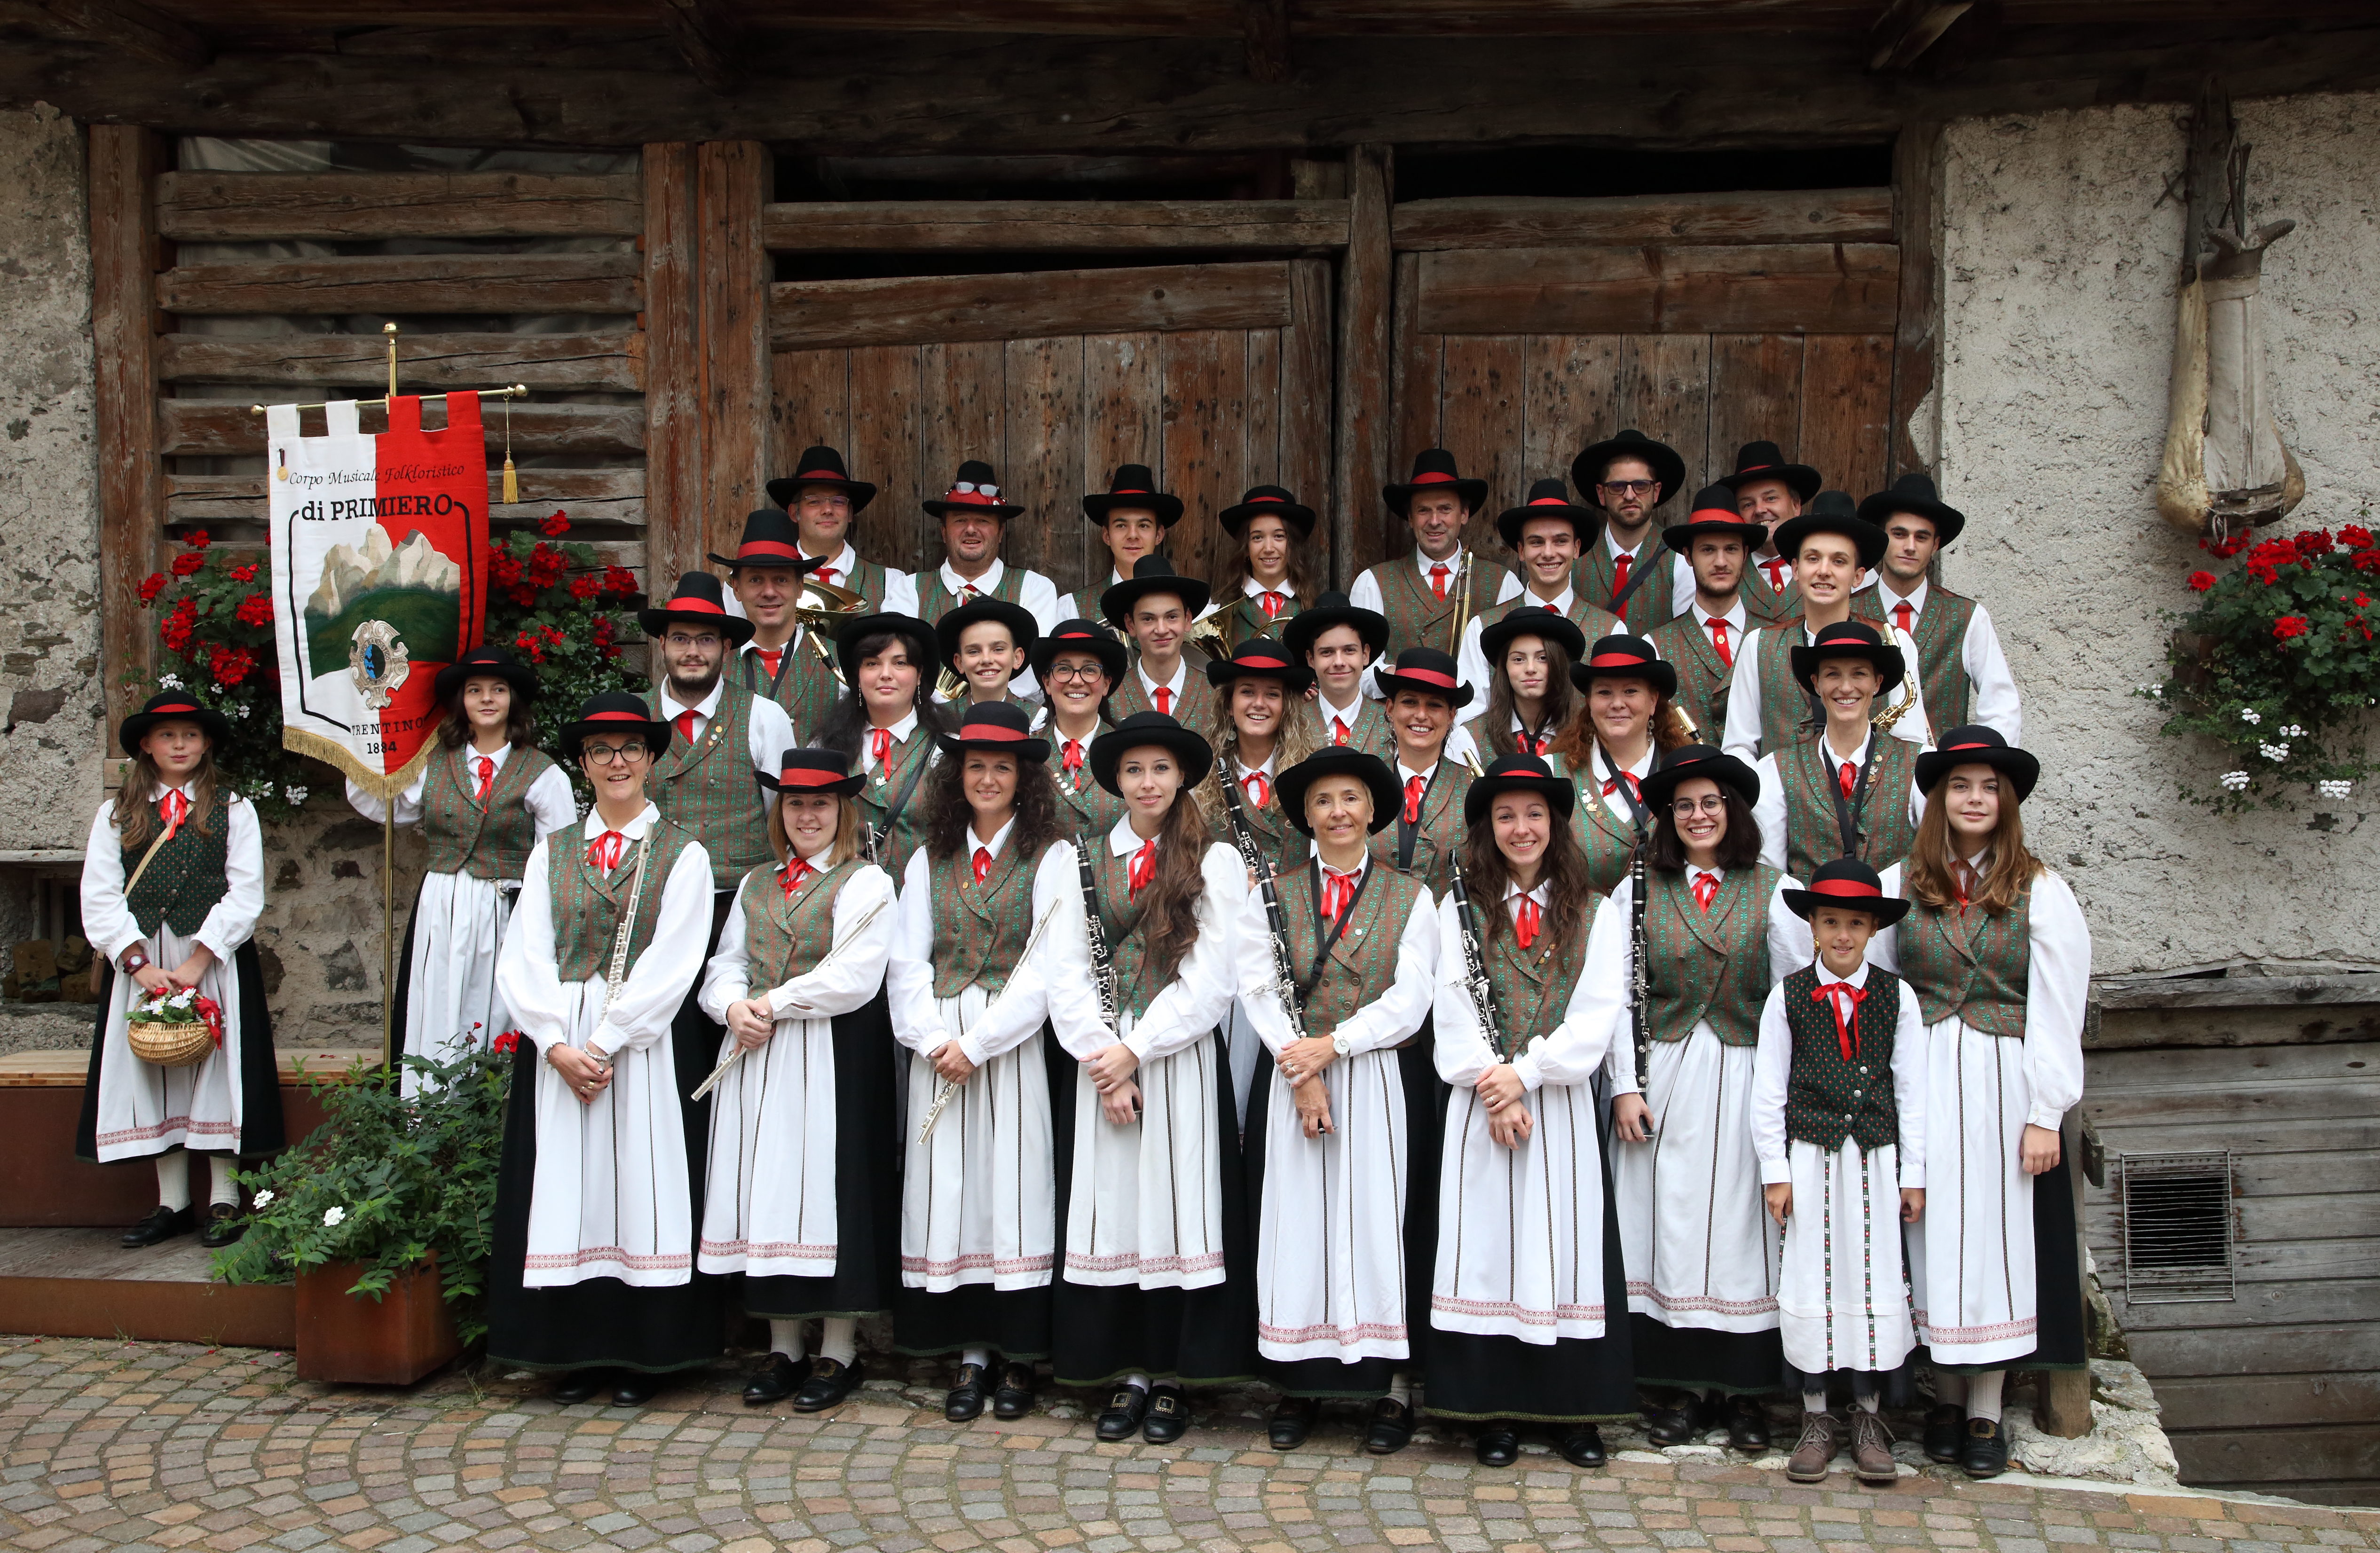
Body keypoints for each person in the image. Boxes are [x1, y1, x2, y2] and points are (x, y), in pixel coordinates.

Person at [486, 691, 722, 1406]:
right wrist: (555, 1043)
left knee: (639, 1186)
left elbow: (676, 961)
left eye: (629, 749)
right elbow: (522, 955)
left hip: (639, 1045)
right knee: (569, 1190)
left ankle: (643, 1354)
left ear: (651, 760)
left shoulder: (684, 853)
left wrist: (606, 1040)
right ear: (583, 764)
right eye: (600, 751)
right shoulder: (551, 854)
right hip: (560, 1038)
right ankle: (573, 1351)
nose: (615, 762)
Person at [1868, 727, 2088, 1481]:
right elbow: (1871, 990)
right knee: (1928, 1235)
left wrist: (2044, 1111)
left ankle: (1985, 1410)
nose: (1973, 799)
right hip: (1921, 1075)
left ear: (2006, 802)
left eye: (1988, 788)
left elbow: (2058, 1006)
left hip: (2001, 1076)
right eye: (1960, 786)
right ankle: (1942, 1395)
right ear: (1937, 799)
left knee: (1991, 1245)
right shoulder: (1900, 880)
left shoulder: (2041, 888)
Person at [1582, 744, 1809, 1452]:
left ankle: (1741, 1393)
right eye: (1683, 805)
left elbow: (1794, 997)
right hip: (1665, 1075)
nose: (1697, 815)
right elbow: (1617, 997)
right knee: (1668, 1224)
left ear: (1734, 811)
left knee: (1742, 1233)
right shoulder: (1637, 890)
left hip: (1745, 1072)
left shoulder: (1774, 889)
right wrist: (1623, 1085)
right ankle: (1677, 1387)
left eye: (1710, 802)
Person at [1428, 754, 1635, 1469]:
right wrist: (1492, 1086)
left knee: (1563, 1249)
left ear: (1556, 823)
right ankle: (1491, 1410)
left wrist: (1523, 1076)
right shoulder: (1452, 905)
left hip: (1557, 1106)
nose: (1521, 828)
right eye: (1507, 815)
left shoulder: (1598, 910)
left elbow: (1597, 1017)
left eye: (1535, 815)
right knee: (1488, 1252)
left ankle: (1573, 1410)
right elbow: (1450, 1010)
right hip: (1480, 1109)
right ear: (1488, 826)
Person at [888, 704, 1093, 1424]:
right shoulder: (926, 858)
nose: (986, 778)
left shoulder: (1053, 856)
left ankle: (1019, 1357)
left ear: (1023, 779)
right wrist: (928, 1037)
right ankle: (969, 1352)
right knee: (953, 1191)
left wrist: (977, 1044)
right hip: (939, 1043)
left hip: (1006, 1049)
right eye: (974, 765)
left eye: (1001, 767)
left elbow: (1048, 967)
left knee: (1012, 1187)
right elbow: (906, 961)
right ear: (957, 775)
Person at [1052, 711, 1253, 1444]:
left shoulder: (1215, 859)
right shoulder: (1074, 857)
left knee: (1175, 1210)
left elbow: (1213, 981)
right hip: (1101, 1066)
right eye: (1134, 770)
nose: (1147, 783)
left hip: (1173, 1060)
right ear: (1115, 780)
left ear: (1180, 778)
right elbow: (1063, 972)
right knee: (1117, 1213)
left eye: (1160, 770)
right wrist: (1103, 1060)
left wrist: (1136, 1049)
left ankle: (1172, 1375)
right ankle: (1127, 1370)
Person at [1237, 748, 1439, 1454]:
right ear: (1306, 816)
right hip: (1296, 1080)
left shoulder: (1413, 896)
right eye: (1323, 801)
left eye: (1351, 798)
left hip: (1378, 1076)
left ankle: (1388, 1387)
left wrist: (1337, 1045)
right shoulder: (1269, 889)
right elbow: (1257, 987)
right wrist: (1303, 1068)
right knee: (1297, 1225)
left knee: (1378, 1223)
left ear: (1372, 811)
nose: (1338, 813)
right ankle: (1300, 1383)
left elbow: (1412, 1001)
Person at [696, 747, 898, 1412]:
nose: (806, 815)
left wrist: (769, 1004)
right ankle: (782, 1346)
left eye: (819, 803)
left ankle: (838, 1351)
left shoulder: (865, 881)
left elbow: (853, 976)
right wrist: (730, 1007)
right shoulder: (756, 883)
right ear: (779, 812)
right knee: (768, 1191)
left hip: (831, 1052)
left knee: (832, 1191)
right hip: (758, 1055)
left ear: (841, 810)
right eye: (794, 803)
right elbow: (725, 964)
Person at [79, 691, 281, 1252]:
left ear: (207, 741)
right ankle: (172, 1202)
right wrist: (138, 964)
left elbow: (246, 893)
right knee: (154, 1068)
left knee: (216, 1071)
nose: (180, 745)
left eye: (190, 735)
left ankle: (223, 1198)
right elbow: (98, 894)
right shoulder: (117, 813)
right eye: (167, 736)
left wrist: (198, 961)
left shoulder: (234, 807)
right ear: (146, 744)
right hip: (141, 959)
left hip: (210, 954)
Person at [1753, 858, 1926, 1487]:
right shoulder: (1789, 997)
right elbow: (1767, 1090)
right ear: (1813, 927)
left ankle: (1869, 1418)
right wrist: (1776, 1170)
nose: (1843, 935)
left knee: (1872, 1276)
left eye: (1855, 923)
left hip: (1875, 1162)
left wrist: (1915, 1175)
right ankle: (1815, 1416)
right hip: (1810, 1158)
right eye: (1831, 922)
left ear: (1873, 929)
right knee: (1812, 1279)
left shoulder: (1895, 996)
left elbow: (1912, 1089)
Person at [344, 645, 574, 1097]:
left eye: (498, 690)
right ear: (462, 702)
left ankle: (491, 1114)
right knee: (438, 998)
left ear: (513, 700)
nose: (487, 699)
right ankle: (428, 1111)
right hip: (443, 903)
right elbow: (377, 801)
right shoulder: (433, 766)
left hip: (505, 906)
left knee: (495, 1006)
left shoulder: (543, 774)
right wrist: (365, 741)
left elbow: (559, 859)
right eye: (475, 690)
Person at [1719, 491, 1927, 762]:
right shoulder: (1758, 644)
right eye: (1813, 558)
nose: (1824, 571)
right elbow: (1739, 747)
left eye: (1839, 561)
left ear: (1858, 576)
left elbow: (1910, 743)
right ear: (1795, 569)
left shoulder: (1895, 642)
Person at [639, 573, 799, 903]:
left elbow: (783, 817)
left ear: (726, 648)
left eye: (706, 640)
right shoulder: (635, 717)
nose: (693, 652)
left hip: (741, 902)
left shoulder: (765, 717)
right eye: (681, 639)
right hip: (652, 899)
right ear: (663, 644)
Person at [1750, 621, 1924, 886]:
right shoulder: (1775, 769)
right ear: (1816, 684)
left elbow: (1935, 861)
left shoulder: (1919, 763)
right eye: (1832, 674)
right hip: (1809, 927)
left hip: (1895, 925)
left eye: (1859, 674)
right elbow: (1769, 878)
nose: (1845, 687)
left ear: (1877, 683)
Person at [1852, 473, 2020, 742]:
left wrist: (1983, 768)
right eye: (1899, 534)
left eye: (1922, 537)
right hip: (1862, 777)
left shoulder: (1968, 617)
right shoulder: (1848, 612)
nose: (1909, 546)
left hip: (1941, 779)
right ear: (1883, 538)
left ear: (1936, 545)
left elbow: (2002, 706)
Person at [1545, 636, 1694, 897]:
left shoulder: (1689, 773)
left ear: (1653, 701)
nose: (1617, 703)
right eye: (1604, 692)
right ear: (1589, 702)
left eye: (1630, 691)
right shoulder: (1550, 774)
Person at [814, 612, 950, 879]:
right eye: (872, 663)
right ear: (858, 675)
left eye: (900, 663)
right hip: (844, 901)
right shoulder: (823, 747)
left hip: (923, 902)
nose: (886, 674)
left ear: (920, 674)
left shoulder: (947, 748)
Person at [1454, 478, 1618, 698]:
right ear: (1521, 551)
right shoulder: (1482, 628)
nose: (1549, 553)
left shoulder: (1611, 630)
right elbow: (1470, 714)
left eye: (1560, 541)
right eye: (1537, 542)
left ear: (1576, 548)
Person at [1350, 449, 1512, 670]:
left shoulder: (1503, 583)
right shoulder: (1372, 583)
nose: (1434, 521)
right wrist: (1390, 675)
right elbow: (1356, 666)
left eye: (1445, 509)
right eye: (1423, 511)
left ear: (1464, 514)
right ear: (1410, 518)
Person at [1648, 486, 1773, 739]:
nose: (1721, 562)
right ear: (1688, 556)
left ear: (1745, 554)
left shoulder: (1775, 639)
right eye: (1708, 550)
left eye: (1731, 549)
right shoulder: (1656, 646)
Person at [1193, 635, 1318, 887]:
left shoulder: (1313, 774)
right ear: (1229, 705)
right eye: (1247, 692)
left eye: (1272, 694)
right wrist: (1231, 884)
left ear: (1286, 707)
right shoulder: (1199, 778)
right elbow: (1185, 868)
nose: (1259, 704)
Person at [715, 507, 839, 744]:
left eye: (781, 579)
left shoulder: (840, 662)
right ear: (737, 588)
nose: (769, 592)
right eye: (755, 580)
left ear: (800, 587)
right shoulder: (714, 663)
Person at [911, 459, 1063, 631]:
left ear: (1000, 533)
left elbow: (1035, 658)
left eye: (983, 521)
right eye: (960, 520)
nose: (970, 529)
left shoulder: (1034, 590)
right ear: (944, 532)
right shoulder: (909, 591)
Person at [1370, 647, 1474, 895]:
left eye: (1435, 705)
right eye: (1410, 702)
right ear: (1390, 708)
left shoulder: (1475, 788)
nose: (1421, 715)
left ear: (1451, 715)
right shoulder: (1366, 783)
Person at [1571, 429, 1695, 636]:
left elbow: (1685, 640)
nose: (1630, 496)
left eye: (1641, 485)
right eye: (1618, 486)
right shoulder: (1575, 556)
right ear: (1602, 494)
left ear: (1656, 492)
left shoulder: (1681, 559)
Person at [766, 443, 914, 613]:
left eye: (838, 501)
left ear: (850, 513)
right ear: (794, 513)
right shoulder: (765, 585)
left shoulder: (891, 583)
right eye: (814, 501)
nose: (828, 510)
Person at [1101, 557, 1222, 745]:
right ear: (1130, 624)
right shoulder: (1108, 697)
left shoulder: (1217, 695)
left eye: (1172, 617)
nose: (1162, 629)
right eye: (1148, 619)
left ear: (1188, 620)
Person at [1032, 619, 1127, 842]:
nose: (1076, 681)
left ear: (1106, 684)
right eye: (1064, 669)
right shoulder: (1027, 754)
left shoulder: (1128, 751)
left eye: (1090, 670)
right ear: (1047, 683)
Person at [1058, 464, 1182, 624]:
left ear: (1159, 535)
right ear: (1107, 535)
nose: (1132, 535)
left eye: (1143, 525)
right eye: (1121, 526)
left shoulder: (1191, 605)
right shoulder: (1072, 609)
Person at [1460, 605, 1584, 763]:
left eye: (1543, 658)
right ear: (1505, 668)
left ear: (1559, 665)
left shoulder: (1587, 735)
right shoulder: (1468, 738)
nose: (1531, 669)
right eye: (1519, 659)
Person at [1718, 440, 1820, 628]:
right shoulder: (1720, 572)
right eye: (1748, 504)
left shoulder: (1835, 567)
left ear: (1796, 505)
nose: (1760, 510)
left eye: (1771, 498)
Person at [1205, 484, 1319, 649]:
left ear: (1292, 545)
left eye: (1279, 536)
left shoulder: (1313, 607)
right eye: (1257, 538)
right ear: (1246, 548)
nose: (1269, 548)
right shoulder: (1221, 609)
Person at [1285, 592, 1396, 760]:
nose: (1339, 662)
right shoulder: (1291, 722)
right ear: (1311, 659)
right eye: (1327, 652)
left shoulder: (1392, 723)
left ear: (1365, 654)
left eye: (1349, 650)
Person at [936, 596, 1041, 716]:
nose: (986, 659)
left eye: (998, 649)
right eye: (974, 652)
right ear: (959, 663)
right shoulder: (941, 719)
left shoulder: (1038, 721)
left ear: (1017, 658)